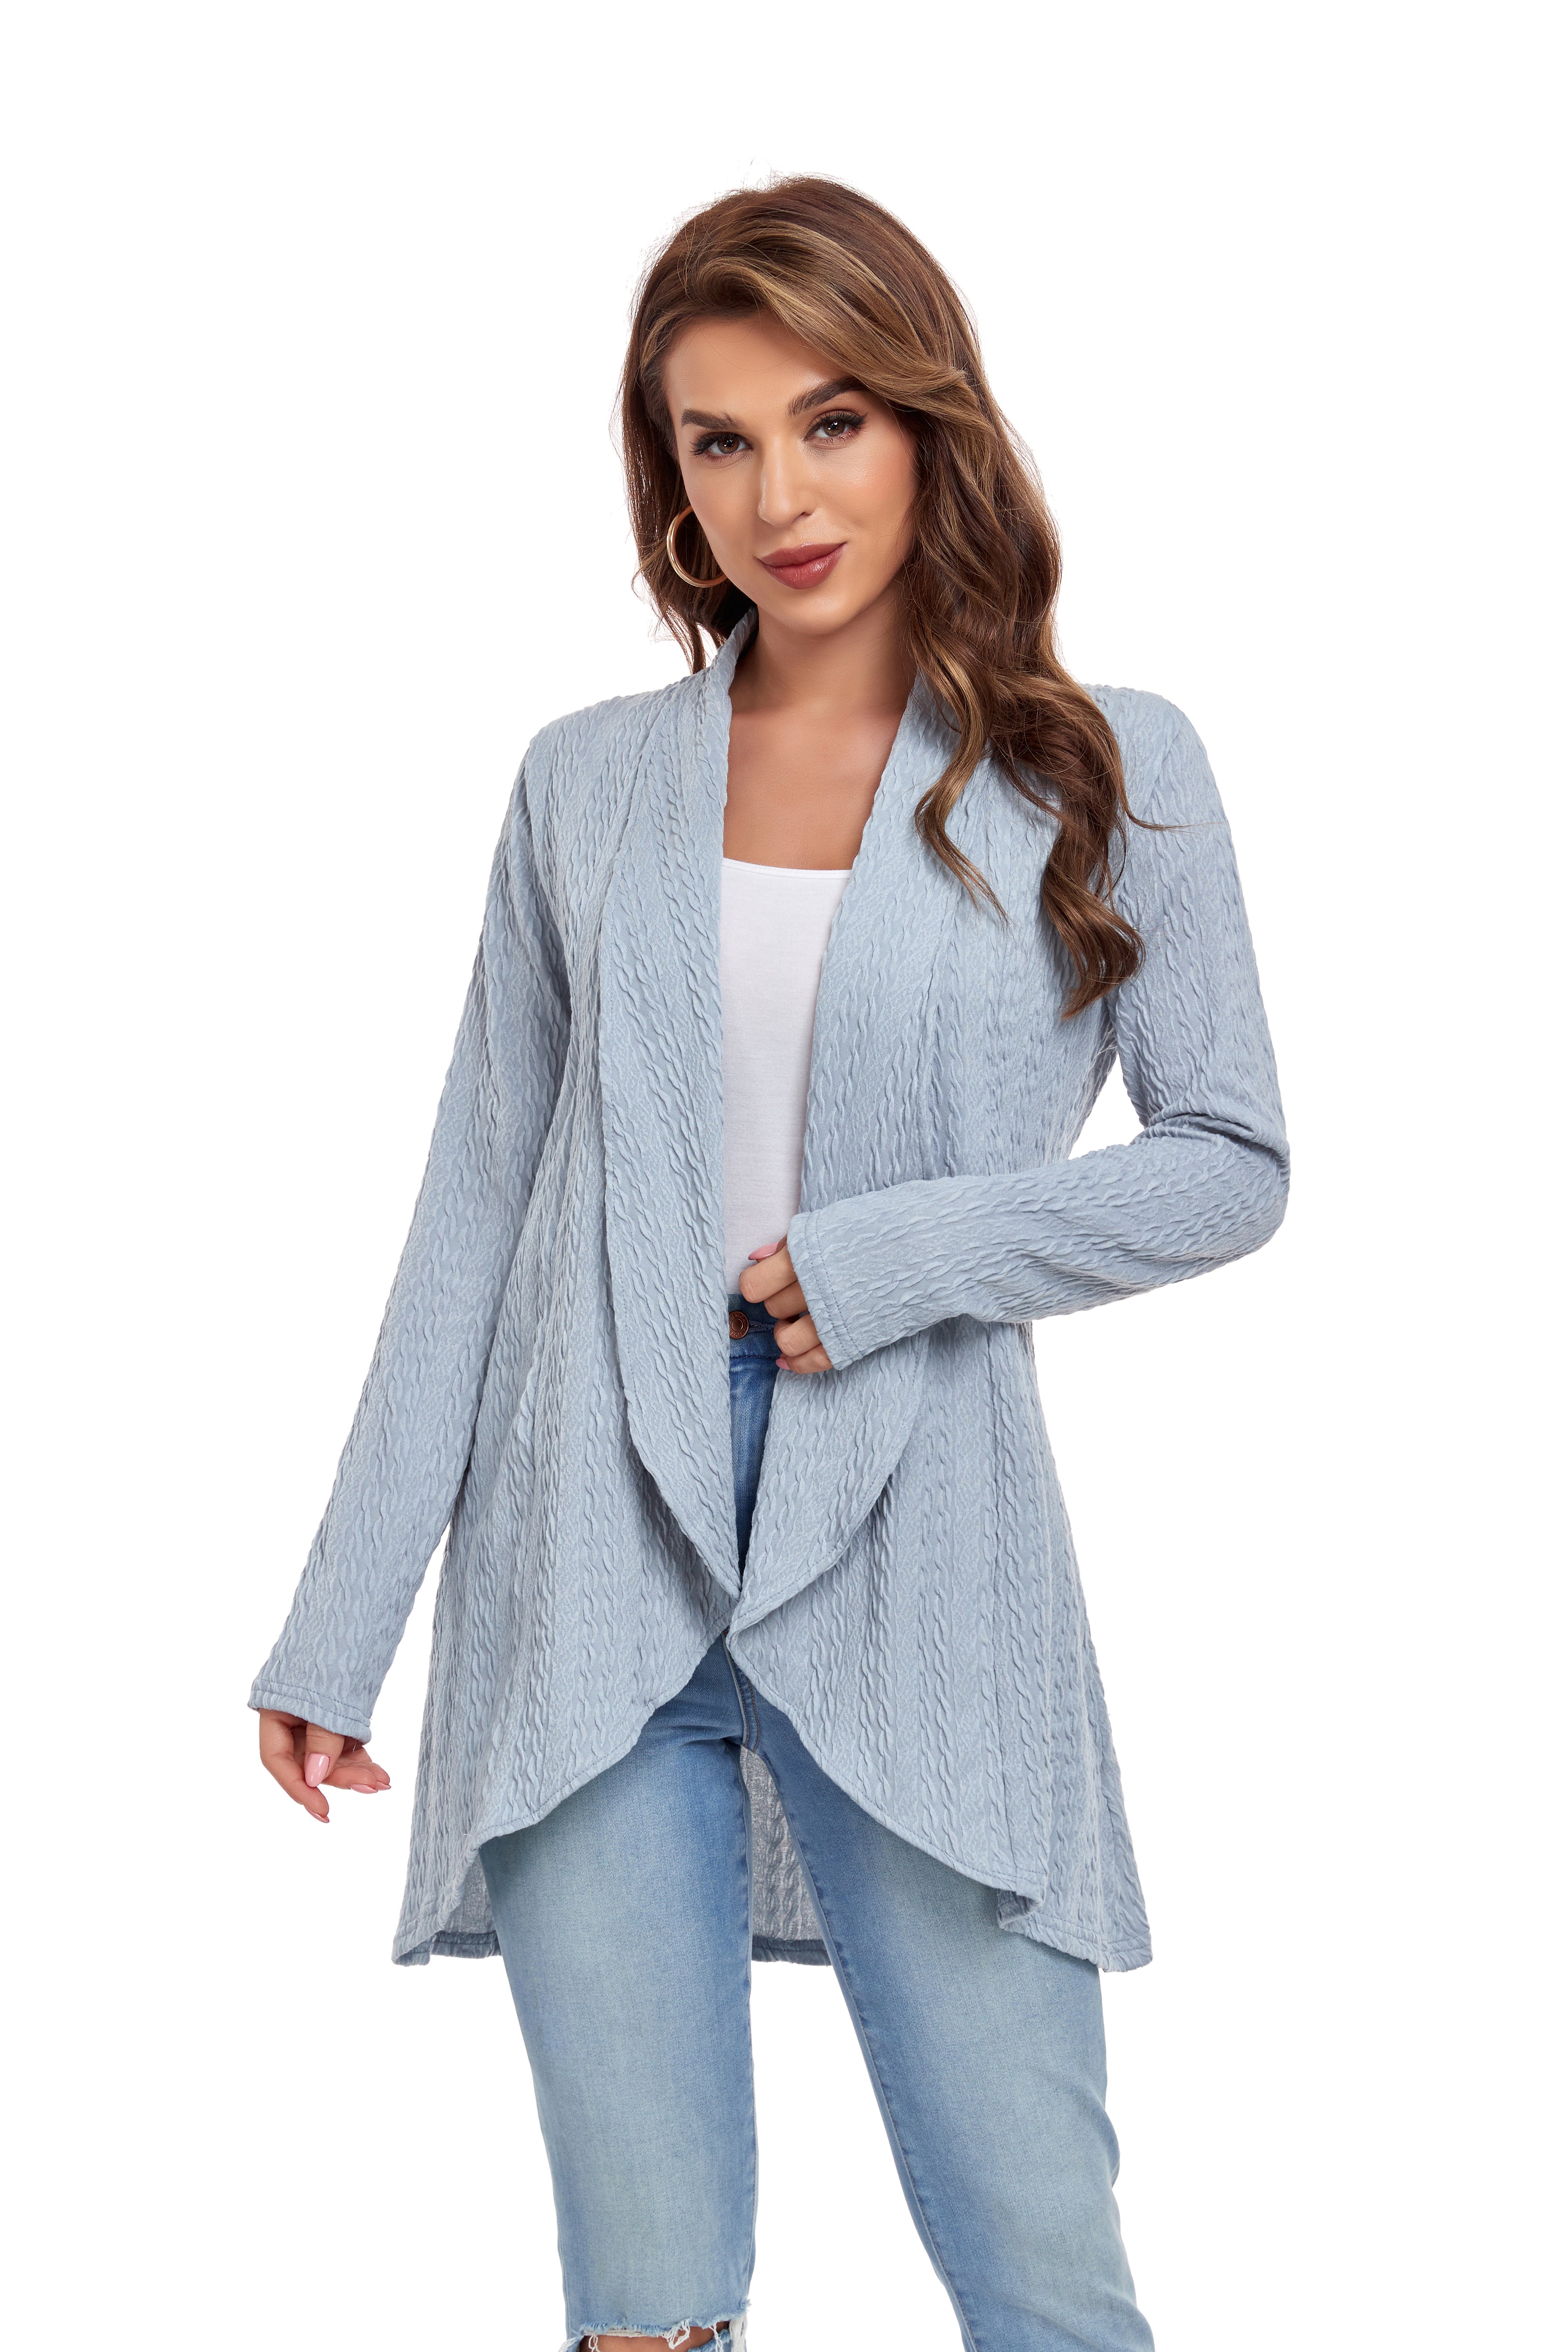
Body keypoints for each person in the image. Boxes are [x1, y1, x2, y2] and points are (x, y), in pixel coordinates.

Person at [251, 177, 1288, 2352]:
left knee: (1045, 2275)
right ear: (669, 475)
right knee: (645, 2303)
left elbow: (1230, 1163)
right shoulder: (584, 785)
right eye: (717, 442)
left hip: (918, 1528)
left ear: (928, 424)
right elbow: (476, 1205)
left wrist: (910, 1251)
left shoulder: (1101, 766)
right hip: (584, 1536)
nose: (779, 498)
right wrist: (345, 1619)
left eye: (831, 423)